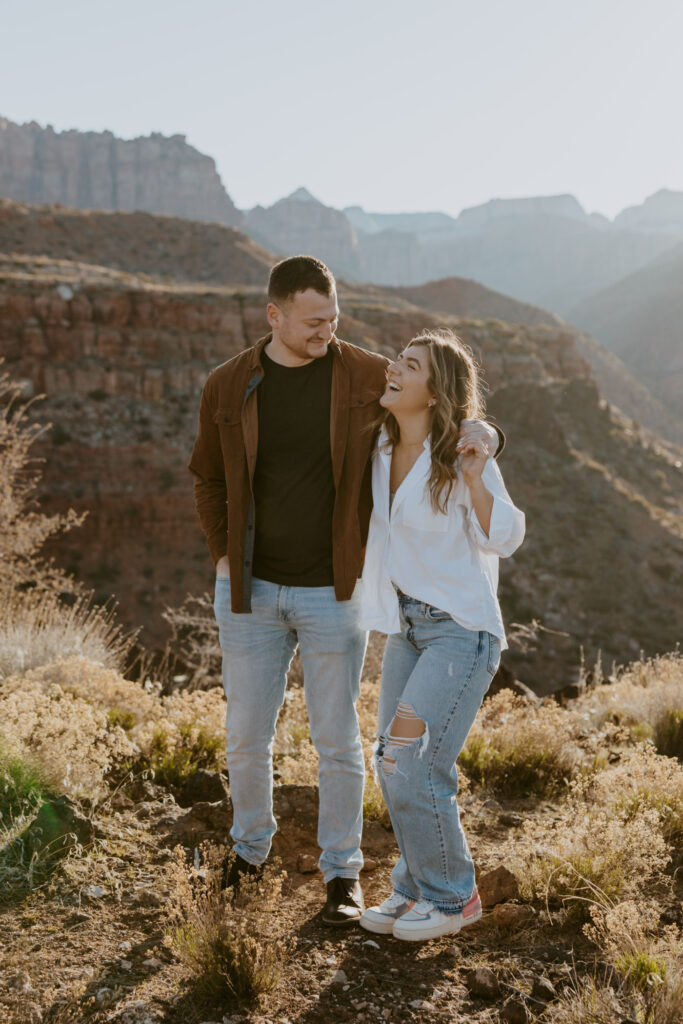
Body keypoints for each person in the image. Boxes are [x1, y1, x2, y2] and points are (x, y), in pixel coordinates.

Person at [188, 257, 503, 926]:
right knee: (246, 735)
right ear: (273, 316)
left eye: (334, 318)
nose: (326, 332)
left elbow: (445, 405)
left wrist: (489, 435)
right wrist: (221, 555)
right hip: (248, 593)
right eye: (312, 322)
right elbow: (207, 477)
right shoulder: (227, 384)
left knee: (337, 739)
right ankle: (249, 852)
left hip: (335, 593)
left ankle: (342, 875)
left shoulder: (362, 375)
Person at [358, 328, 525, 942]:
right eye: (396, 360)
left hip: (460, 632)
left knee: (412, 764)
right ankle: (413, 889)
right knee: (390, 764)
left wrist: (482, 470)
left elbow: (504, 536)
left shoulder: (460, 455)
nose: (392, 370)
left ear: (434, 393)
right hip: (407, 631)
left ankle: (456, 899)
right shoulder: (378, 446)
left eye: (409, 365)